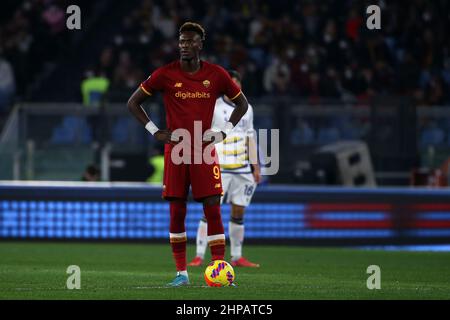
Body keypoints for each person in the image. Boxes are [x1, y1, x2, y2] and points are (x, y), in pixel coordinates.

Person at [127, 22, 249, 287]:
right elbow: (133, 102)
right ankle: (181, 274)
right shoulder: (164, 74)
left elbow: (242, 103)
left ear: (200, 44)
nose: (184, 45)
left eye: (189, 41)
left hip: (204, 151)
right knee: (176, 211)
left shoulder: (216, 74)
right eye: (181, 41)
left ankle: (220, 271)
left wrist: (224, 132)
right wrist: (155, 131)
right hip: (177, 151)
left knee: (213, 209)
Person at [188, 70, 261, 268]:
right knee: (210, 212)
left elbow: (250, 137)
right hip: (218, 167)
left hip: (242, 168)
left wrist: (256, 165)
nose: (235, 87)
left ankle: (236, 257)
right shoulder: (213, 106)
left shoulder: (248, 108)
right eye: (231, 84)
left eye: (238, 83)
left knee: (238, 212)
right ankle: (199, 255)